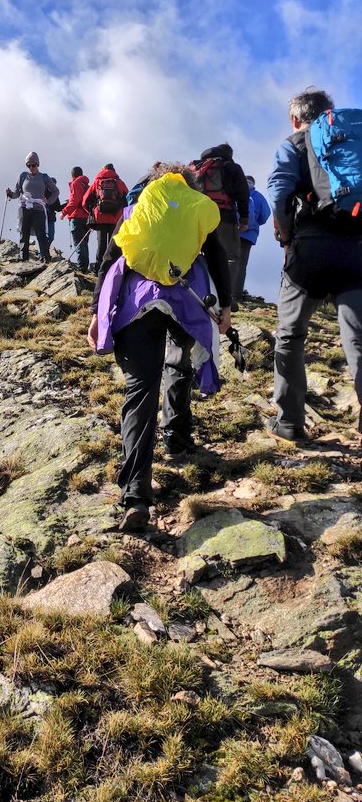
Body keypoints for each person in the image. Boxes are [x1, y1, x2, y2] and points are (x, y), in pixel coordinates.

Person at [87, 162, 231, 533]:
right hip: (185, 302)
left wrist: (96, 314)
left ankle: (136, 496)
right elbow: (216, 256)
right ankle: (178, 441)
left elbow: (109, 260)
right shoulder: (195, 207)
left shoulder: (136, 210)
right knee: (179, 367)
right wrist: (225, 306)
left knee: (140, 393)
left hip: (137, 305)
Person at [267, 87, 362, 441]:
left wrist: (286, 235)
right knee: (359, 339)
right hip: (356, 247)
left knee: (291, 334)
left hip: (309, 248)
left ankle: (289, 422)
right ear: (329, 113)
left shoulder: (294, 144)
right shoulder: (350, 140)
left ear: (296, 119)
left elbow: (279, 193)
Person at [190, 143, 249, 308]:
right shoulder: (231, 167)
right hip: (224, 216)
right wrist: (244, 217)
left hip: (199, 216)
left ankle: (198, 291)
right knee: (230, 256)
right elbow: (243, 193)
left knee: (197, 253)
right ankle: (225, 297)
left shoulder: (196, 166)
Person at [6, 152, 59, 263]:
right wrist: (10, 194)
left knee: (41, 234)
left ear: (38, 164)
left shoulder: (44, 177)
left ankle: (45, 258)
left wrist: (48, 201)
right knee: (23, 233)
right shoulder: (22, 176)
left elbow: (56, 191)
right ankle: (23, 259)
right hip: (24, 207)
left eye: (33, 165)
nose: (31, 167)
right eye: (28, 165)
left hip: (38, 208)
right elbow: (17, 193)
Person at [83, 164, 128, 272]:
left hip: (100, 218)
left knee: (101, 245)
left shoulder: (97, 182)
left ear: (102, 170)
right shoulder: (119, 183)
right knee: (112, 245)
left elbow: (85, 200)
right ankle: (111, 270)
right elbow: (128, 198)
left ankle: (99, 270)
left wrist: (92, 211)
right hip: (115, 219)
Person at [234, 176, 271, 303]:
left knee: (229, 261)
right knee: (241, 265)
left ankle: (224, 292)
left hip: (233, 232)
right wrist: (253, 225)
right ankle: (236, 295)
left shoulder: (235, 191)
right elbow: (265, 215)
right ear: (253, 184)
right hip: (249, 236)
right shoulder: (259, 197)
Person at [61, 167, 90, 272]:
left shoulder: (75, 183)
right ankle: (85, 267)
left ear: (72, 175)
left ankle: (81, 267)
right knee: (84, 243)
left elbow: (74, 201)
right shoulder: (86, 185)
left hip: (76, 217)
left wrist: (64, 212)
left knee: (79, 244)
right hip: (87, 218)